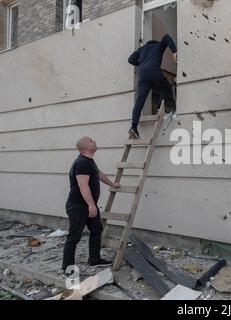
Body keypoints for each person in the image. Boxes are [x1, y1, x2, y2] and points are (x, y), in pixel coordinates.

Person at [62, 136, 120, 274]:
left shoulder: (89, 162)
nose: (94, 141)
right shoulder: (81, 162)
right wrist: (91, 205)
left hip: (88, 205)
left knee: (96, 229)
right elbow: (83, 185)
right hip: (78, 206)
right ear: (85, 148)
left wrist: (112, 184)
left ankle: (94, 259)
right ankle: (67, 268)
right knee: (74, 236)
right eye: (91, 140)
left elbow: (99, 174)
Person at [127, 34, 178, 139]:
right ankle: (163, 107)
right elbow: (166, 37)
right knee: (164, 87)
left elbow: (130, 59)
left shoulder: (141, 49)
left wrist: (142, 64)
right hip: (154, 70)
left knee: (140, 100)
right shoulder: (157, 46)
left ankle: (133, 127)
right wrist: (174, 51)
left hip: (143, 75)